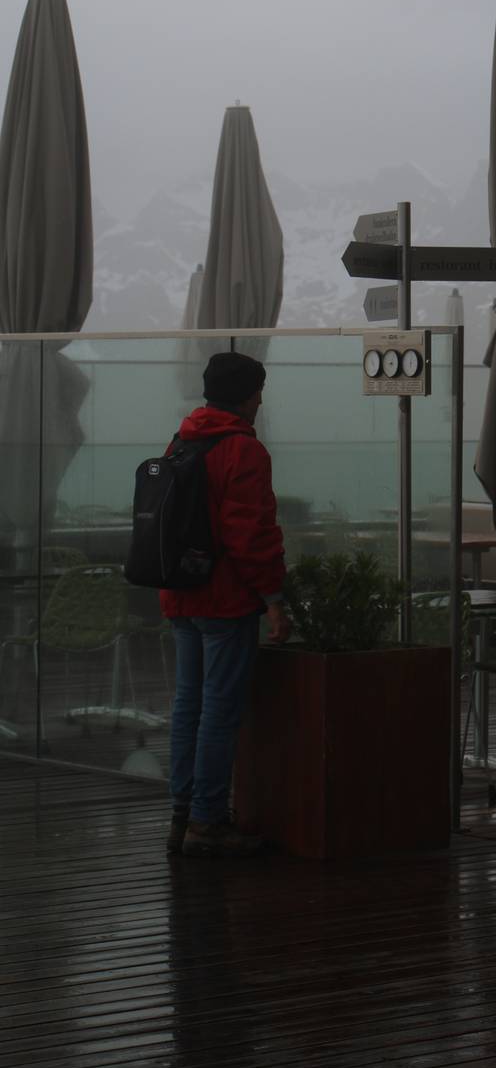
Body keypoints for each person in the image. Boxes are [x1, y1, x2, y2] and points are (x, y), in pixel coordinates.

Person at [162, 350, 291, 857]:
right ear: (248, 395)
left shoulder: (181, 439)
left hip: (181, 594)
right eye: (259, 391)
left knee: (187, 705)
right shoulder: (243, 451)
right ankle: (208, 821)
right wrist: (273, 598)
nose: (261, 400)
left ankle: (183, 811)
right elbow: (250, 536)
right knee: (218, 709)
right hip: (225, 600)